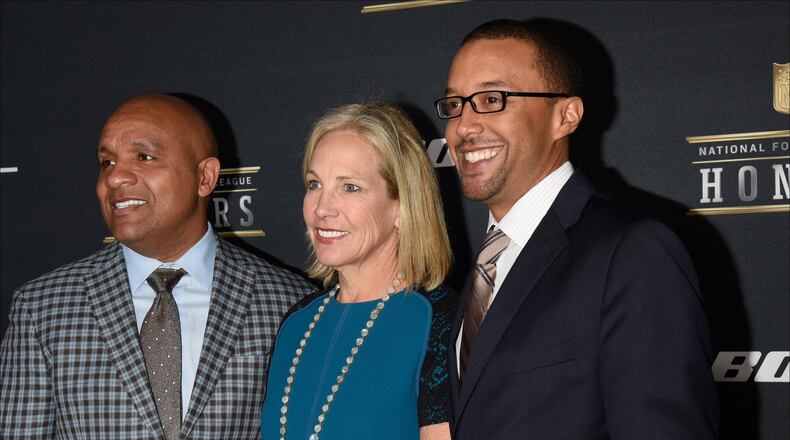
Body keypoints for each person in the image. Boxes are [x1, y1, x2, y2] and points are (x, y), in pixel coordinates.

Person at [435, 19, 720, 438]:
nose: (464, 125)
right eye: (455, 104)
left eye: (492, 99)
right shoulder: (485, 264)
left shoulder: (632, 251)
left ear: (566, 116)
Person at [0, 94, 314, 439]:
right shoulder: (44, 308)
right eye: (106, 162)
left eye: (143, 157)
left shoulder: (289, 303)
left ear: (205, 177)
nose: (115, 178)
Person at [261, 103, 455, 440]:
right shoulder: (298, 322)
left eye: (350, 187)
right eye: (314, 184)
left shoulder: (439, 321)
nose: (322, 208)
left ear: (402, 206)